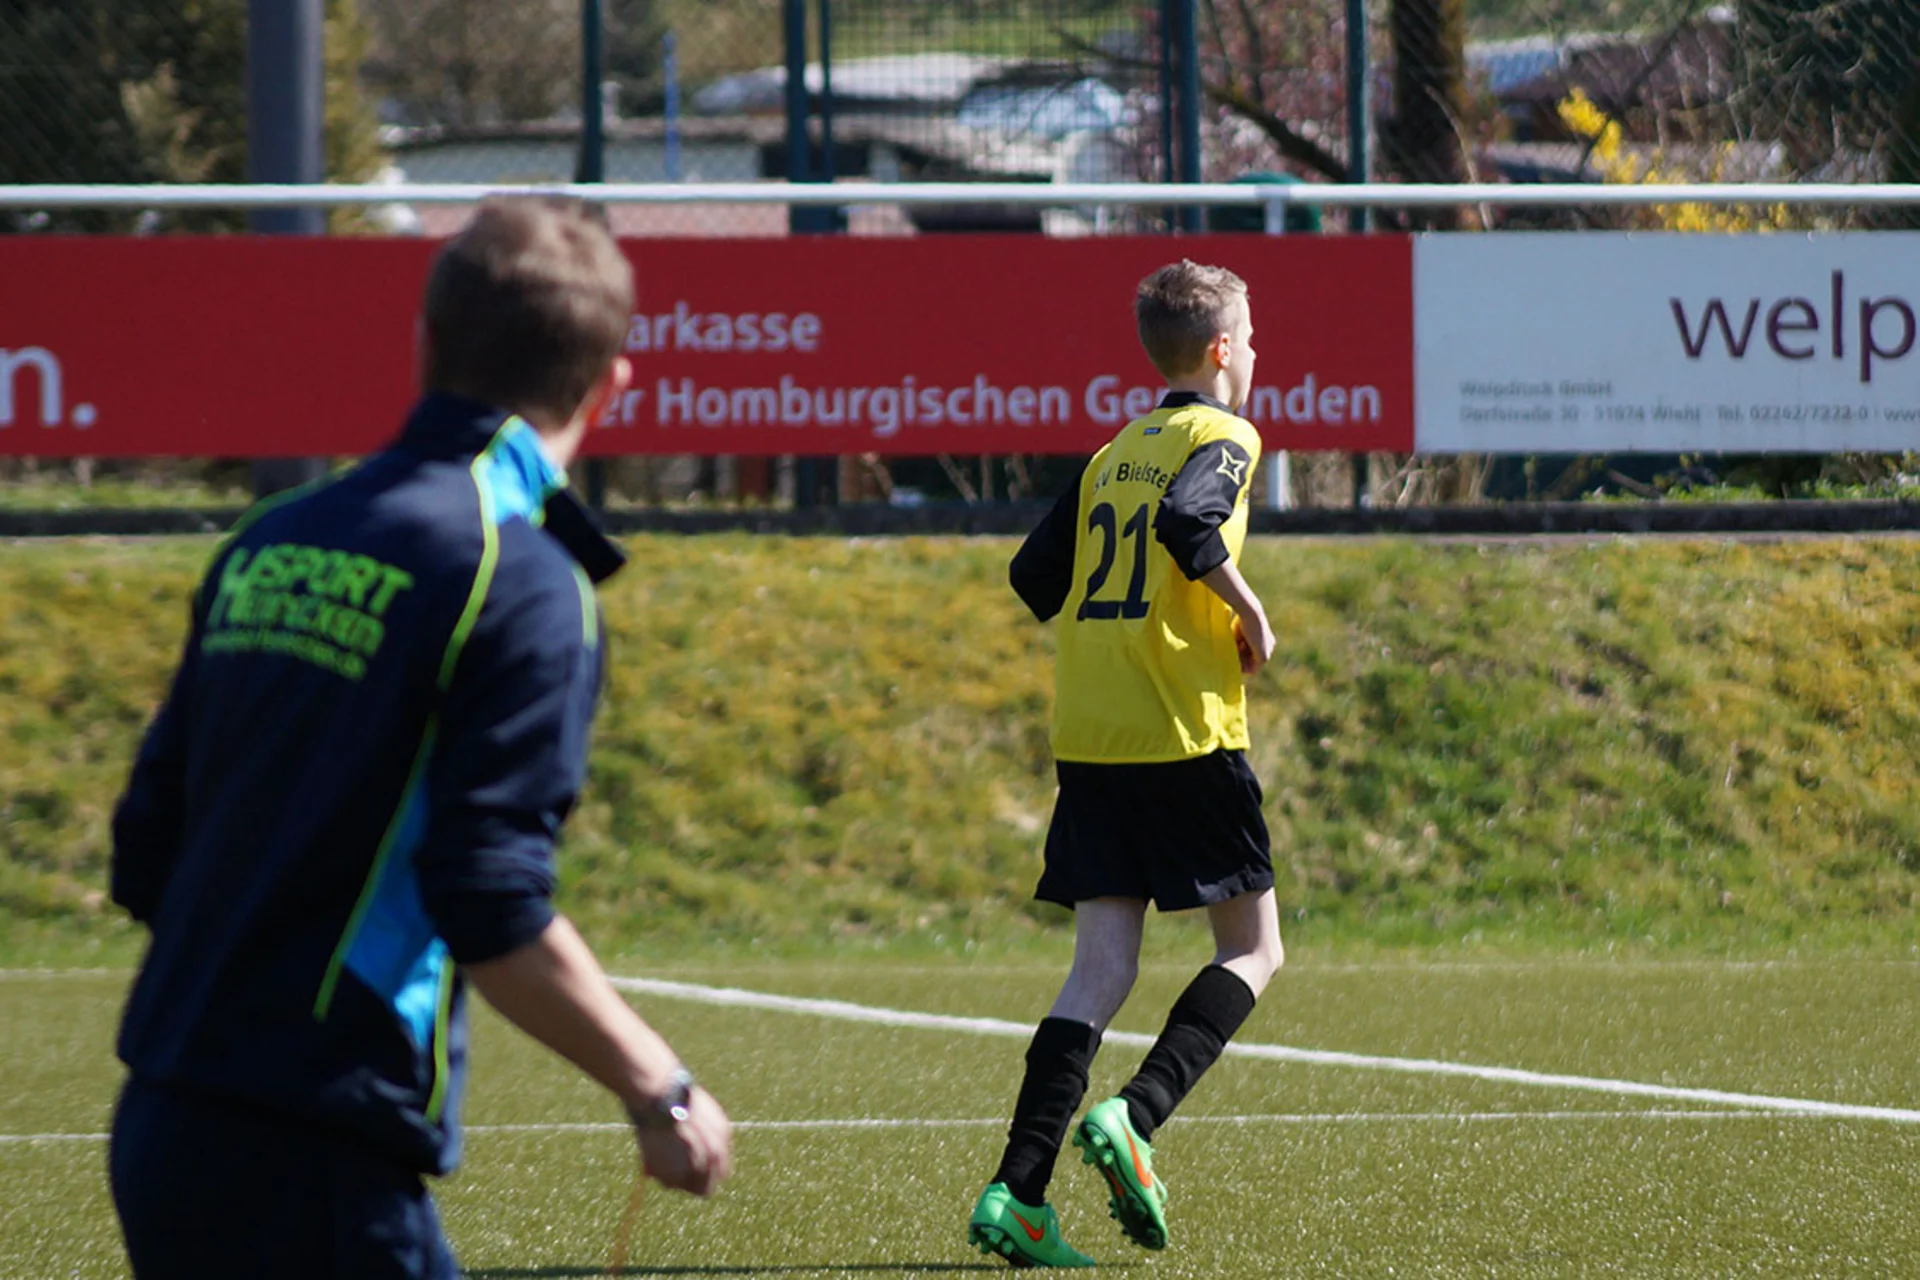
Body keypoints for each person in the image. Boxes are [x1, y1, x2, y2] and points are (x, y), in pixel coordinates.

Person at [107, 197, 732, 1279]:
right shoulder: (522, 580)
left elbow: (144, 846)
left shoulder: (273, 536)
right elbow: (489, 900)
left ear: (423, 346)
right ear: (612, 382)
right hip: (317, 1141)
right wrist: (658, 1083)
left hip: (163, 1114)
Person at [967, 260, 1285, 1268]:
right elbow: (1189, 524)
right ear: (1225, 350)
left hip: (1091, 734)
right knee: (1253, 948)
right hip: (1182, 730)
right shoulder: (1226, 434)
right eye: (1254, 334)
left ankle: (1017, 1192)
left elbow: (1034, 573)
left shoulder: (1114, 450)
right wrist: (1249, 609)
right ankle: (1137, 1116)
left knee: (1099, 967)